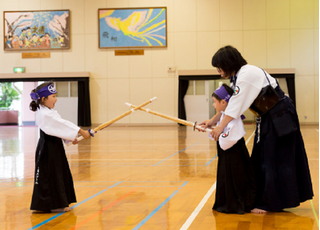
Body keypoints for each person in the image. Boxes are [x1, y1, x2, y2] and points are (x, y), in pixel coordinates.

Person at [200, 45, 313, 213]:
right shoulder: (238, 77)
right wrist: (213, 120)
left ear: (228, 63)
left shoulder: (247, 74)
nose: (218, 71)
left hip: (279, 116)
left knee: (274, 158)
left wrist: (220, 128)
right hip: (269, 116)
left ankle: (270, 203)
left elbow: (236, 106)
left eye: (219, 67)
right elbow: (230, 103)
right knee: (262, 157)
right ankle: (263, 198)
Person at [29, 82, 91, 212]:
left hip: (54, 145)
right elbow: (60, 124)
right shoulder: (44, 113)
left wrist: (70, 138)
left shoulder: (49, 111)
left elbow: (57, 129)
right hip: (48, 148)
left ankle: (58, 203)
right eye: (53, 96)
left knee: (58, 172)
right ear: (43, 99)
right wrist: (80, 131)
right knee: (50, 174)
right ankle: (51, 204)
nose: (56, 99)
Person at [210, 83, 256, 214]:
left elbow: (228, 138)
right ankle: (227, 202)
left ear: (223, 102)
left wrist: (217, 134)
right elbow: (220, 130)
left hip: (234, 155)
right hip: (227, 155)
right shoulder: (224, 115)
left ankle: (238, 204)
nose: (213, 105)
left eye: (214, 102)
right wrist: (210, 129)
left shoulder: (233, 118)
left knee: (237, 179)